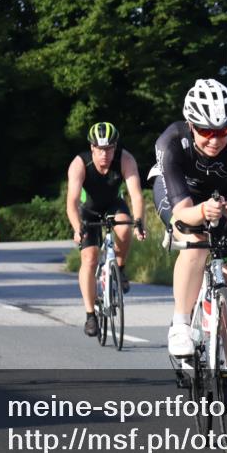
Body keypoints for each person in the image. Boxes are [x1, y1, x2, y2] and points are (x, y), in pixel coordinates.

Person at [148, 79, 227, 403]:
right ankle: (181, 324)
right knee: (195, 241)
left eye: (222, 131)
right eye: (205, 131)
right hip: (181, 197)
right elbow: (182, 212)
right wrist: (201, 211)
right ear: (190, 125)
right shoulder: (171, 141)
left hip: (223, 201)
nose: (214, 139)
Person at [66, 122, 146, 338]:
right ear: (92, 147)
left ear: (115, 147)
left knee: (124, 227)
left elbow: (136, 195)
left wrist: (139, 221)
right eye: (100, 149)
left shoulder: (125, 159)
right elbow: (72, 202)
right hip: (88, 210)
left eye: (109, 149)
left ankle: (120, 268)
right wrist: (77, 228)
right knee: (89, 259)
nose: (105, 154)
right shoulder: (79, 163)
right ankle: (90, 315)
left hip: (113, 205)